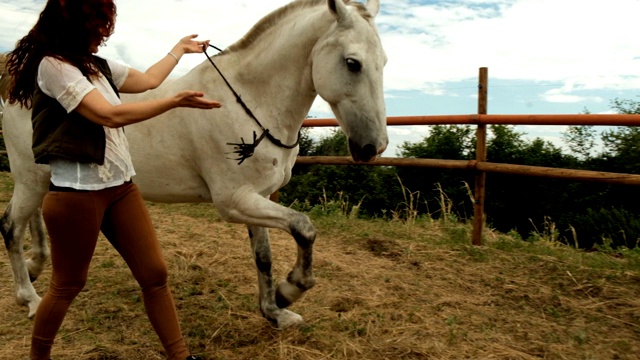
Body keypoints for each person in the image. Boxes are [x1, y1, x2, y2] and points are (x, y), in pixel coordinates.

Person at [4, 0, 222, 359]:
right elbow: (108, 115)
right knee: (67, 286)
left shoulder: (98, 66)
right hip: (76, 195)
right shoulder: (53, 67)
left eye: (106, 24)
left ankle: (181, 357)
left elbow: (150, 80)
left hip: (120, 188)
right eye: (99, 25)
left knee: (155, 274)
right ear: (77, 24)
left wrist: (180, 49)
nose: (105, 33)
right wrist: (173, 103)